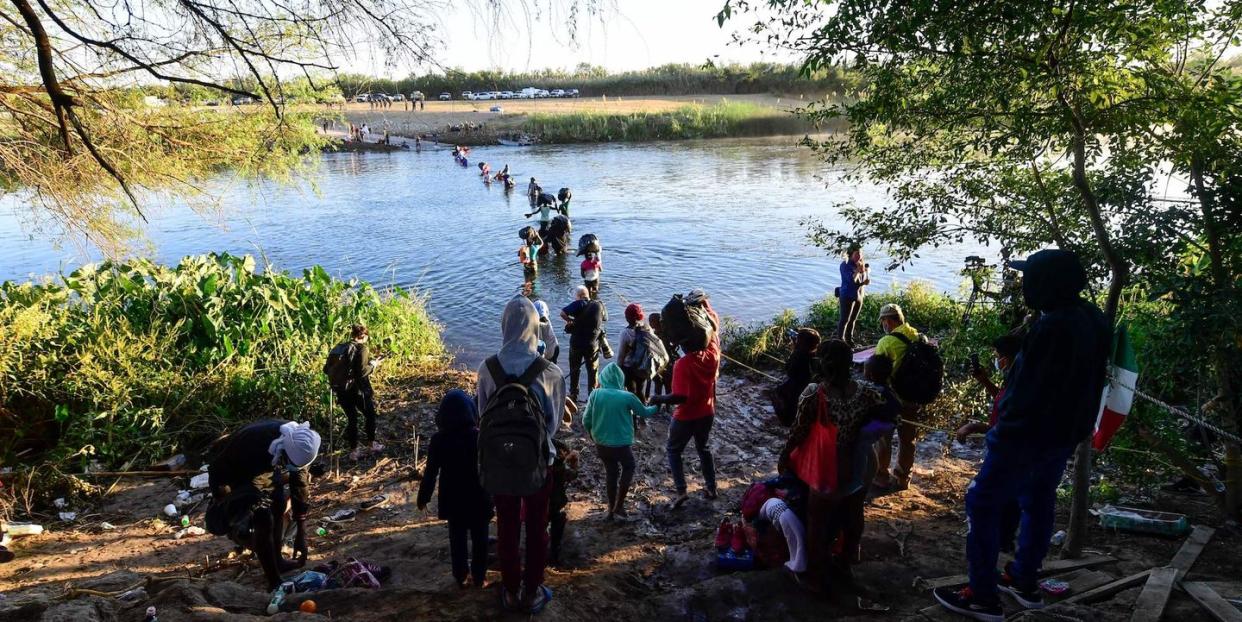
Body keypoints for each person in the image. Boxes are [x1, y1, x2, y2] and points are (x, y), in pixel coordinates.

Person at [934, 249, 1109, 622]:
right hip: (1064, 434)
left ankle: (981, 595)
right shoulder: (1092, 318)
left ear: (1046, 284)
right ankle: (1023, 578)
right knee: (1039, 501)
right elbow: (1091, 382)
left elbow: (1026, 391)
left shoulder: (1050, 328)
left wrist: (1000, 434)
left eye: (1029, 277)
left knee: (982, 505)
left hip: (1024, 437)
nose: (1023, 282)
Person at [476, 296, 567, 614]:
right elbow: (552, 426)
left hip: (499, 463)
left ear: (504, 325)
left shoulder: (487, 368)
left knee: (507, 527)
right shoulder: (551, 372)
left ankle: (511, 590)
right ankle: (531, 592)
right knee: (537, 527)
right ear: (534, 327)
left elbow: (482, 417)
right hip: (540, 462)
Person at [778, 339, 884, 590]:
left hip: (827, 465)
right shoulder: (865, 392)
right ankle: (846, 563)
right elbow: (886, 413)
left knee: (818, 522)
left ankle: (816, 577)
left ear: (822, 364)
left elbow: (798, 431)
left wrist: (785, 455)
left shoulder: (816, 393)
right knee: (854, 513)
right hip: (857, 463)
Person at [206, 420, 321, 589]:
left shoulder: (302, 444)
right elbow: (218, 470)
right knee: (263, 517)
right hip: (232, 470)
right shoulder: (253, 445)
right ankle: (273, 580)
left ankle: (278, 561)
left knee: (279, 503)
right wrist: (226, 498)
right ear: (283, 452)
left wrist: (301, 532)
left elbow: (300, 483)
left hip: (265, 466)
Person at [417, 390, 494, 588]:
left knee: (457, 539)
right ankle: (479, 577)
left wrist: (423, 497)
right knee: (481, 540)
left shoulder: (438, 440)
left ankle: (461, 576)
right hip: (479, 496)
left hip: (453, 499)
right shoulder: (480, 436)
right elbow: (491, 468)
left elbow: (431, 473)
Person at [649, 325, 720, 508]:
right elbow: (713, 333)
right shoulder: (713, 355)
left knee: (673, 450)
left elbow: (679, 396)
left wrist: (658, 398)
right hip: (707, 412)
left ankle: (681, 491)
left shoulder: (683, 364)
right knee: (703, 448)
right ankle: (711, 488)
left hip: (686, 416)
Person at [581, 363, 660, 520]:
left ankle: (610, 509)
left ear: (603, 378)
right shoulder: (627, 396)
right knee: (629, 466)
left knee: (611, 473)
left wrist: (593, 435)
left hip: (601, 444)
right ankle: (619, 505)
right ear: (620, 380)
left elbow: (585, 420)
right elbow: (644, 412)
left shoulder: (595, 394)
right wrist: (657, 405)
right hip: (622, 444)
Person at [872, 304, 922, 491]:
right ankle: (902, 478)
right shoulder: (917, 336)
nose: (883, 324)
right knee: (908, 439)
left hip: (891, 398)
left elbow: (876, 370)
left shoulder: (887, 342)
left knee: (883, 438)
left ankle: (881, 476)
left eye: (884, 321)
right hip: (914, 397)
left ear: (889, 320)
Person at [330, 324, 382, 460]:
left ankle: (354, 451)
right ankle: (371, 444)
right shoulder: (362, 348)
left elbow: (326, 369)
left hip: (341, 390)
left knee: (352, 419)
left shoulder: (339, 348)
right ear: (363, 336)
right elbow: (362, 372)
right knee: (370, 415)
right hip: (358, 391)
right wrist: (374, 364)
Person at [561, 287, 611, 401]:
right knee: (592, 370)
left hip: (576, 343)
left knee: (574, 368)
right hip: (592, 344)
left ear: (579, 296)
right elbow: (605, 318)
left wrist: (571, 320)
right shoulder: (599, 305)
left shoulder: (578, 303)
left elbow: (562, 313)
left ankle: (573, 394)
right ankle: (592, 395)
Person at [771, 328, 821, 426]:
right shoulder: (815, 355)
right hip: (809, 384)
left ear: (800, 343)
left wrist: (794, 351)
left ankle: (787, 420)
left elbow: (790, 371)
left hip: (796, 386)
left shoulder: (798, 355)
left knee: (778, 393)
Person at [547, 438, 578, 567]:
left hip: (531, 497)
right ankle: (554, 552)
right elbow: (572, 475)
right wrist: (574, 465)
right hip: (553, 501)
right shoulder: (559, 464)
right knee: (557, 519)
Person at [618, 303, 653, 406]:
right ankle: (643, 417)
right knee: (640, 391)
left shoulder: (625, 333)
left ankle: (633, 419)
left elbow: (621, 355)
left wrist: (618, 369)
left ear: (627, 317)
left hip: (629, 367)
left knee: (631, 393)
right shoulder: (647, 329)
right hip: (643, 366)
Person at [837, 245, 871, 347]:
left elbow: (863, 280)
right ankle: (840, 342)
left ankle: (849, 340)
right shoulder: (845, 265)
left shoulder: (862, 264)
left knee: (853, 320)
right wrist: (857, 270)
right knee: (844, 320)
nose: (859, 255)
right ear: (851, 255)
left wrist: (866, 279)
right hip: (847, 295)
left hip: (859, 295)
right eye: (856, 253)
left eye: (860, 253)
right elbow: (851, 280)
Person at [648, 313, 678, 403]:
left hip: (658, 364)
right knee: (669, 385)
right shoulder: (667, 333)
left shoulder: (654, 336)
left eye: (650, 321)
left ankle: (657, 406)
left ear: (654, 322)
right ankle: (669, 406)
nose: (649, 323)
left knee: (658, 385)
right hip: (669, 363)